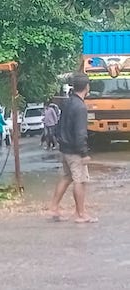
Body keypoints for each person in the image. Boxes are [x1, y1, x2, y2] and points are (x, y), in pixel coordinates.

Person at [49, 72, 97, 223]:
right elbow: (80, 133)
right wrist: (84, 153)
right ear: (87, 87)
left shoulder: (67, 103)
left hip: (64, 149)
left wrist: (61, 143)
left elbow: (58, 125)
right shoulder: (81, 107)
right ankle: (80, 214)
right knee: (80, 180)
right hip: (75, 151)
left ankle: (54, 207)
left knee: (67, 177)